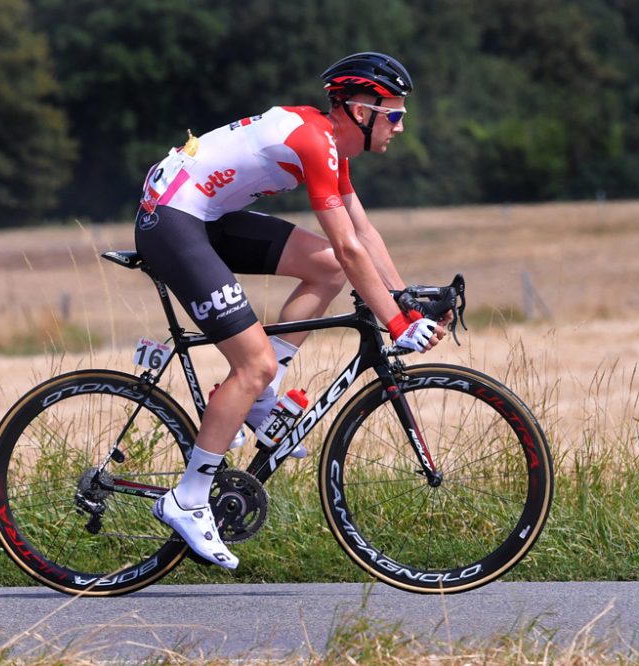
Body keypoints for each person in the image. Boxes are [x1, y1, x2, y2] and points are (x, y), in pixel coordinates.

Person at [135, 52, 450, 569]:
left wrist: (404, 300)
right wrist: (396, 326)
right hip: (171, 220)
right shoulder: (313, 141)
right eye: (394, 114)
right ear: (360, 110)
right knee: (252, 363)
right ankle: (188, 499)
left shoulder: (330, 144)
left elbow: (363, 237)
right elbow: (351, 247)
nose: (400, 126)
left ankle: (261, 396)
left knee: (325, 268)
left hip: (205, 213)